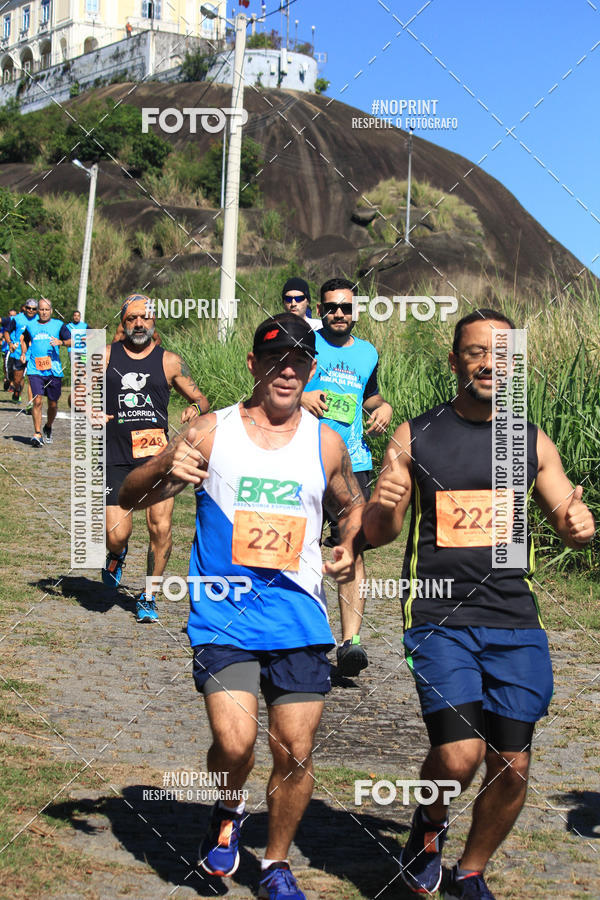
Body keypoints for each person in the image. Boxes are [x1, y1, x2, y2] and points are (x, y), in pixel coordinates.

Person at [119, 312, 366, 900]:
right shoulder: (211, 431)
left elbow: (350, 506)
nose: (289, 371)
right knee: (235, 745)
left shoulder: (325, 441)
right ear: (254, 365)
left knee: (295, 750)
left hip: (300, 617)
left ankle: (277, 864)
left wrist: (349, 542)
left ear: (311, 371)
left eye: (301, 361)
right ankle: (228, 808)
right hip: (222, 616)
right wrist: (160, 467)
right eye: (277, 360)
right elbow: (127, 495)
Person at [362, 308, 596, 899]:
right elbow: (383, 533)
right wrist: (386, 504)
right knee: (459, 754)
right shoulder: (416, 435)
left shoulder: (530, 440)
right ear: (455, 361)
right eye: (475, 352)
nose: (489, 364)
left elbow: (566, 515)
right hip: (439, 619)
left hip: (515, 621)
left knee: (512, 765)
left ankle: (470, 870)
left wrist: (578, 524)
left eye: (501, 353)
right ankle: (428, 827)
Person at [302, 277, 393, 676]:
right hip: (305, 455)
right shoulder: (307, 343)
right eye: (331, 307)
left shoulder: (369, 352)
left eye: (345, 307)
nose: (338, 313)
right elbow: (275, 383)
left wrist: (383, 405)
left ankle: (350, 642)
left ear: (355, 311)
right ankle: (303, 634)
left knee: (350, 547)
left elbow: (368, 393)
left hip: (354, 462)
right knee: (299, 545)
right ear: (320, 310)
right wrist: (303, 395)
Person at [101, 293, 209, 623]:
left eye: (145, 318)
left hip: (157, 459)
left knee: (160, 529)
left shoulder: (170, 362)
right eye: (132, 318)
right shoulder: (104, 357)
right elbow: (80, 396)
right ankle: (117, 554)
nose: (139, 323)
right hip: (116, 456)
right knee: (116, 533)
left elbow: (201, 398)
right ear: (123, 322)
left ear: (154, 321)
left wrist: (196, 408)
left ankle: (149, 594)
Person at [20, 298, 71, 447]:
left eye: (46, 310)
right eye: (41, 310)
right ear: (38, 311)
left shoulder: (59, 325)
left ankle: (48, 426)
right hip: (35, 369)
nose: (43, 312)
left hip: (53, 370)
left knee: (53, 404)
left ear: (51, 311)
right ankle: (37, 434)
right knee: (37, 401)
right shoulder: (30, 326)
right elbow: (24, 339)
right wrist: (24, 353)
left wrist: (61, 342)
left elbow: (72, 340)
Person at [4, 299, 38, 404]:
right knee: (17, 380)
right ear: (25, 308)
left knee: (33, 379)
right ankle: (17, 390)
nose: (31, 310)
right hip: (18, 353)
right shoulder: (17, 319)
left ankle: (31, 404)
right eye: (29, 308)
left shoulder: (40, 319)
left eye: (34, 309)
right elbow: (6, 332)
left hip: (34, 354)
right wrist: (10, 343)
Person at [2, 307, 17, 391]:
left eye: (14, 316)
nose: (12, 318)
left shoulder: (18, 324)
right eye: (11, 315)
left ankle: (11, 383)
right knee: (5, 365)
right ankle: (7, 378)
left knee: (14, 367)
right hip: (6, 348)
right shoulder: (5, 326)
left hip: (15, 349)